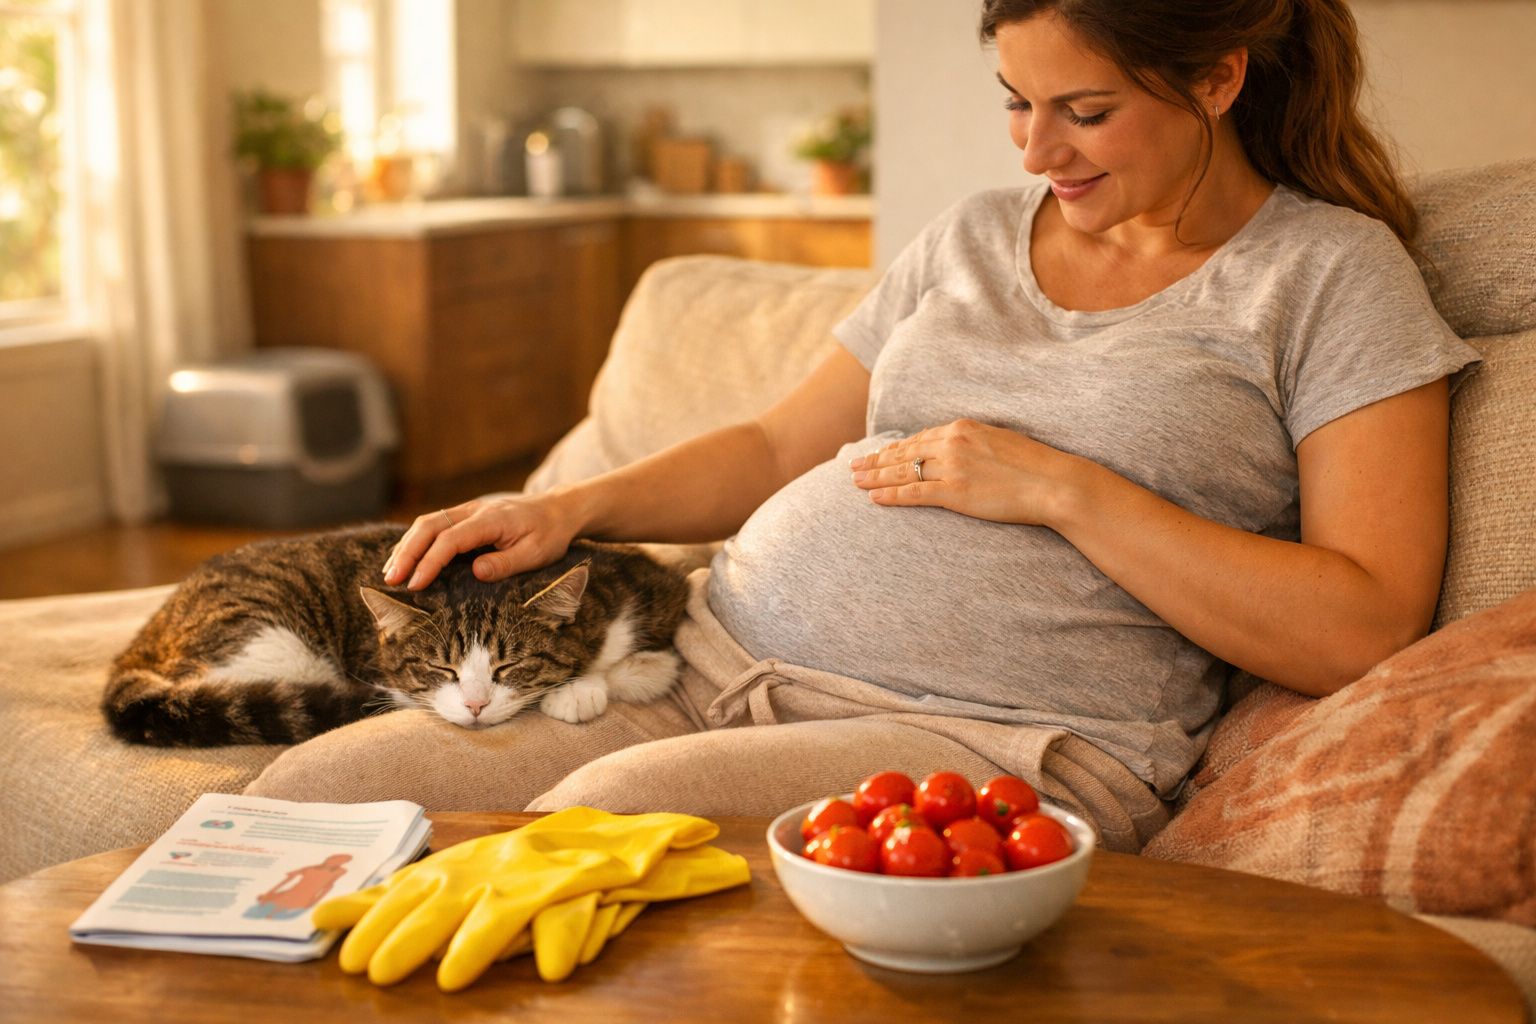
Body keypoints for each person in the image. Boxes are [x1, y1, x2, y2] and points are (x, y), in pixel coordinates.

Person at [248, 0, 1477, 852]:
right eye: (1016, 102)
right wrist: (569, 504)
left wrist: (1059, 487)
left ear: (1219, 78)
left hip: (994, 737)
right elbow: (780, 450)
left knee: (600, 825)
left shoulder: (1326, 276)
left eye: (1086, 112)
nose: (1037, 149)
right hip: (707, 659)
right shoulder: (975, 235)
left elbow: (1361, 622)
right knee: (309, 795)